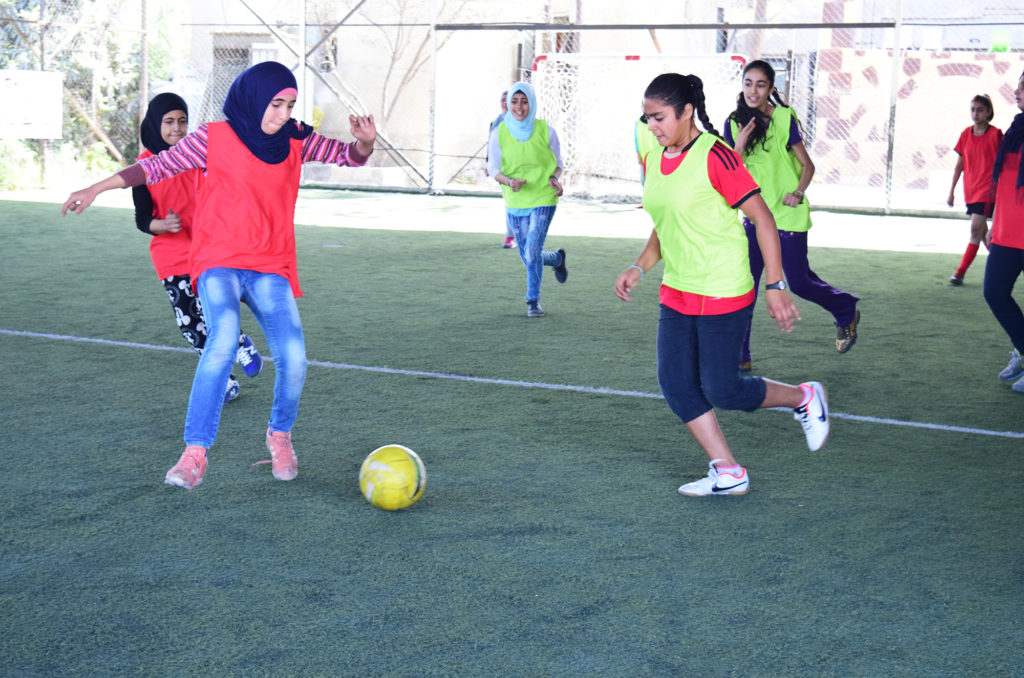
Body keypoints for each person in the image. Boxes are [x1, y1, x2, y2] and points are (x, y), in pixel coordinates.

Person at [63, 61, 378, 489]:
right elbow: (156, 167)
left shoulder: (296, 137)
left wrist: (364, 144)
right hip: (219, 260)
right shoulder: (214, 138)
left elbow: (347, 157)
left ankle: (279, 436)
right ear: (252, 99)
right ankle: (195, 453)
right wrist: (95, 188)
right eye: (275, 104)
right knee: (223, 339)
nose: (283, 114)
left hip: (270, 264)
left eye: (289, 105)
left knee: (295, 359)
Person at [614, 72, 830, 497]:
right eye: (647, 119)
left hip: (723, 287)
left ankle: (804, 397)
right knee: (675, 384)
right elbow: (666, 223)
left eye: (658, 117)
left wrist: (775, 284)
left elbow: (763, 218)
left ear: (686, 111)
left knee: (723, 389)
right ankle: (728, 470)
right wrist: (639, 266)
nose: (651, 127)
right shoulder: (656, 159)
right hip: (678, 288)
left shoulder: (717, 155)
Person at [726, 60, 860, 371]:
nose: (753, 90)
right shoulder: (733, 123)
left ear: (771, 89)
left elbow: (808, 166)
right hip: (755, 218)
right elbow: (731, 172)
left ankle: (845, 308)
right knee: (744, 286)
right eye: (748, 83)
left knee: (799, 282)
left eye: (761, 84)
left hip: (787, 216)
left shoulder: (784, 119)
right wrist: (741, 144)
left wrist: (798, 192)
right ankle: (740, 355)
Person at [133, 92, 264, 404]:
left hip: (208, 249)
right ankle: (225, 379)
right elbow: (141, 219)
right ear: (155, 123)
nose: (177, 128)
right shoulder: (143, 168)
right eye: (168, 122)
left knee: (215, 308)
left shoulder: (197, 156)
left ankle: (238, 342)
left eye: (181, 121)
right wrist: (162, 225)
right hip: (171, 256)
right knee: (190, 323)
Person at [487, 80, 569, 318]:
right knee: (528, 256)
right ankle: (556, 259)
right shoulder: (499, 132)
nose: (519, 107)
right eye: (514, 101)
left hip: (544, 196)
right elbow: (492, 168)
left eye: (524, 101)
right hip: (516, 200)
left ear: (531, 103)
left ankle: (532, 301)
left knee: (532, 250)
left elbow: (558, 164)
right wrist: (508, 181)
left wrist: (554, 178)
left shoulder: (546, 130)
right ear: (508, 104)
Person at [984, 70, 1024, 394]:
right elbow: (1004, 181)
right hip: (1007, 232)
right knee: (994, 292)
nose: (1017, 91)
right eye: (1019, 85)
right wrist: (993, 224)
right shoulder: (1014, 129)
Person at [947, 94, 1003, 285]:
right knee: (983, 233)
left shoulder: (996, 135)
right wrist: (951, 191)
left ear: (988, 112)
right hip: (971, 190)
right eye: (973, 109)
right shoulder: (965, 134)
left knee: (975, 229)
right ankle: (1004, 266)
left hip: (988, 192)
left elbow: (1004, 164)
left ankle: (960, 272)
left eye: (980, 109)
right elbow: (959, 166)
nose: (975, 113)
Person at [486, 90, 516, 249]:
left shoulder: (522, 121)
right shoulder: (496, 123)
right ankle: (510, 236)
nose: (505, 103)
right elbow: (490, 145)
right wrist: (488, 164)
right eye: (502, 100)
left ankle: (518, 233)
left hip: (520, 167)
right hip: (505, 171)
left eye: (508, 100)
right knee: (510, 201)